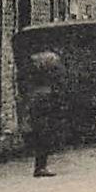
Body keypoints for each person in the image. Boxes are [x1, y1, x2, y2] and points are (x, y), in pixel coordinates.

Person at [24, 50, 63, 178]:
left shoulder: (32, 78)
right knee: (44, 137)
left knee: (40, 137)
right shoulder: (45, 87)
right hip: (41, 108)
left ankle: (40, 166)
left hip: (36, 106)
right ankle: (41, 167)